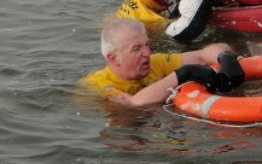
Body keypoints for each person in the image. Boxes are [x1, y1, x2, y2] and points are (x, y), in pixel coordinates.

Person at [79, 18, 245, 107]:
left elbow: (203, 55)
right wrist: (182, 74)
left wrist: (225, 56)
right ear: (113, 58)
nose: (147, 53)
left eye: (147, 45)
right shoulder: (97, 85)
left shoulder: (156, 63)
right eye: (136, 49)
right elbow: (133, 103)